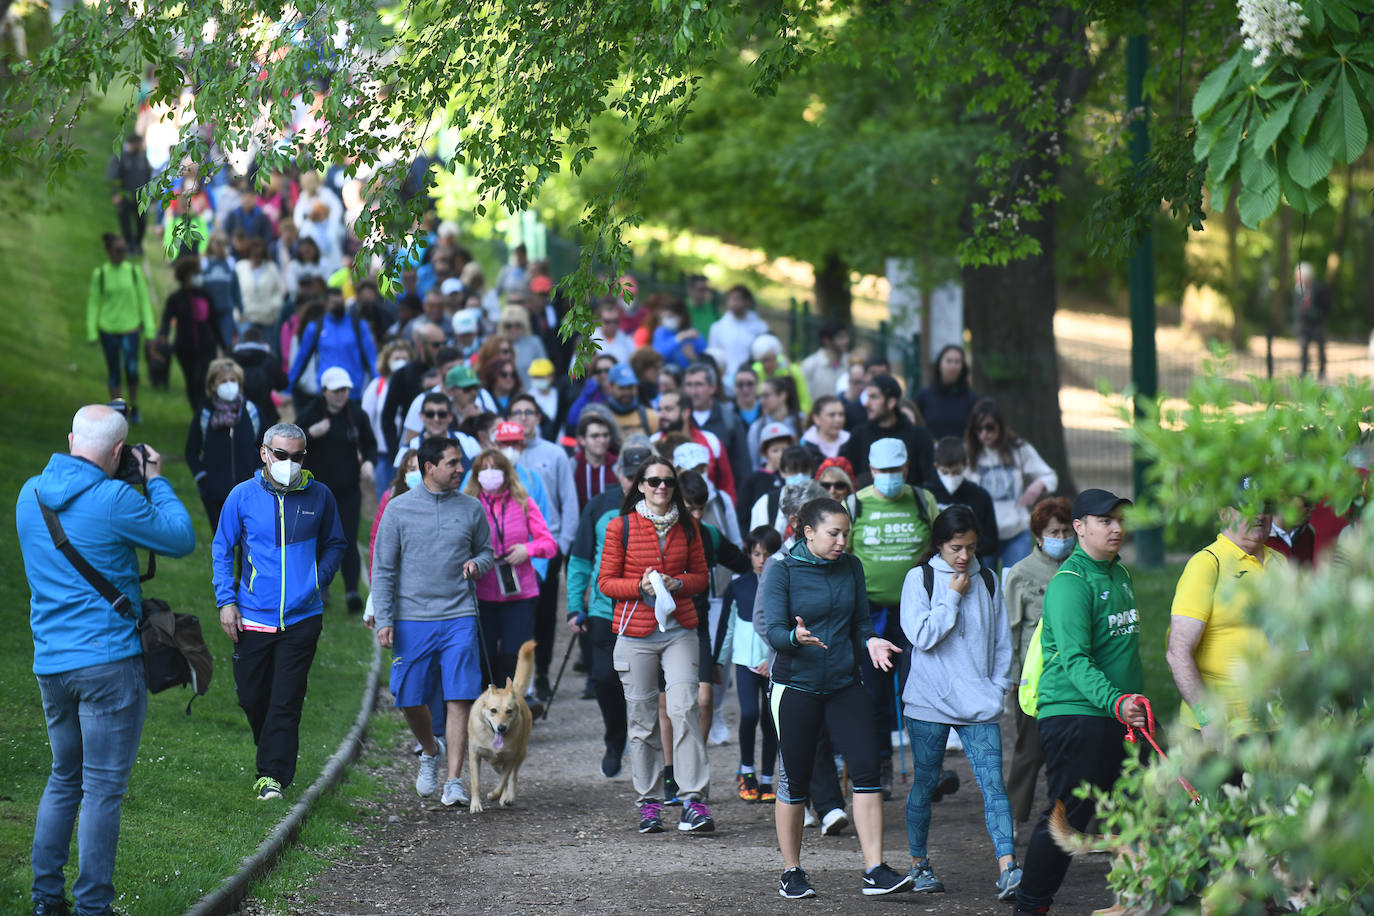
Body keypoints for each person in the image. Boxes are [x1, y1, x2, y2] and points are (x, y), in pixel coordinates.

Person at [17, 405, 196, 916]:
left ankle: (45, 899)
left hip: (51, 663)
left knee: (63, 778)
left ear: (70, 438)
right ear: (120, 453)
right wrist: (155, 480)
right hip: (108, 665)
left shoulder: (28, 494)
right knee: (101, 790)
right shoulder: (115, 498)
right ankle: (92, 907)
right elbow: (180, 536)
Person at [764, 496, 912, 899]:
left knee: (865, 771)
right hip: (795, 686)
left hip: (845, 684)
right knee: (794, 780)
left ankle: (874, 869)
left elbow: (861, 623)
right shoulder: (782, 571)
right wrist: (795, 637)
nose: (842, 540)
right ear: (808, 532)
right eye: (834, 533)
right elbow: (773, 631)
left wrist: (872, 642)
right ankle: (791, 871)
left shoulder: (852, 567)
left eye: (846, 533)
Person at [1013, 489, 1151, 916]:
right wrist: (1116, 702)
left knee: (1136, 808)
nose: (1115, 528)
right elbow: (1075, 660)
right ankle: (1030, 905)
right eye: (1104, 520)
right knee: (1069, 813)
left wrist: (1136, 705)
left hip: (1121, 712)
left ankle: (1131, 902)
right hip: (1075, 712)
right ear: (1079, 527)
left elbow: (1123, 653)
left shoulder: (1120, 574)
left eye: (1118, 520)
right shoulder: (1070, 584)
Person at [211, 422, 348, 801]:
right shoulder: (241, 496)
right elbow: (222, 550)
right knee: (252, 697)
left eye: (297, 456)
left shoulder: (320, 496)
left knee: (285, 699)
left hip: (303, 618)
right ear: (265, 454)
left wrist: (318, 580)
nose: (289, 462)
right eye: (282, 455)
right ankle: (271, 748)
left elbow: (336, 543)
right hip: (253, 615)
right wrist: (227, 601)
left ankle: (271, 776)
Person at [899, 505, 1019, 899]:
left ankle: (1009, 869)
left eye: (970, 546)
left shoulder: (987, 578)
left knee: (993, 786)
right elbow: (922, 636)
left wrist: (998, 684)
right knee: (926, 783)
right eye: (955, 547)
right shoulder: (920, 578)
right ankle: (919, 864)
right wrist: (950, 597)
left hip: (980, 702)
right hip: (929, 701)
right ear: (939, 544)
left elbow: (1003, 639)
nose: (964, 555)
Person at [371, 437, 497, 807]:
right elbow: (383, 569)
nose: (462, 469)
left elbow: (486, 552)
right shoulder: (398, 510)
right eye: (454, 463)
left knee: (459, 696)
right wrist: (384, 618)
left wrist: (478, 565)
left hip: (459, 615)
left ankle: (454, 781)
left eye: (461, 462)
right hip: (412, 617)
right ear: (429, 467)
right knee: (408, 697)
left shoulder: (472, 509)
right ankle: (431, 749)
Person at [597, 457, 713, 834]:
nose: (661, 487)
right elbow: (606, 583)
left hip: (679, 628)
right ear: (641, 486)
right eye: (654, 481)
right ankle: (649, 802)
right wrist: (639, 586)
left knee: (684, 709)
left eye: (667, 481)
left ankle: (693, 800)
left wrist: (679, 583)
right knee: (642, 719)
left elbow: (701, 577)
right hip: (635, 632)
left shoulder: (689, 526)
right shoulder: (621, 527)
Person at [849, 437, 939, 796]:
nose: (890, 476)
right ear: (871, 470)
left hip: (914, 610)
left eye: (896, 470)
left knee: (920, 687)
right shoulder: (855, 504)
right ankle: (880, 763)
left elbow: (939, 543)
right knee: (874, 690)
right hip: (871, 612)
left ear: (906, 468)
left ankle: (928, 766)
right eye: (882, 470)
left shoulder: (922, 500)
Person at [567, 440, 655, 778]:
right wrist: (576, 606)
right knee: (604, 678)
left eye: (640, 476)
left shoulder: (662, 503)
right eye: (628, 475)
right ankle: (615, 739)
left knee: (648, 685)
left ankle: (653, 754)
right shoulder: (600, 505)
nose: (632, 484)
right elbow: (579, 560)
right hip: (606, 607)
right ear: (618, 472)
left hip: (649, 610)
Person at [1166, 487, 1282, 740]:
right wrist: (1207, 719)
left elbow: (1299, 642)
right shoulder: (1207, 564)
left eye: (1266, 507)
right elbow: (1178, 652)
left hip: (1277, 725)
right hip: (1221, 730)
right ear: (1223, 514)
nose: (1259, 515)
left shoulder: (1281, 564)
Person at [1001, 496, 1074, 824]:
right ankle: (1014, 820)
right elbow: (1010, 632)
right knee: (1029, 752)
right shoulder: (1021, 574)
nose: (1061, 538)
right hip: (1037, 679)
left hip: (1077, 674)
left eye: (1065, 531)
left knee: (1075, 749)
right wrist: (1014, 680)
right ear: (1038, 536)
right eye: (1053, 532)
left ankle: (1076, 816)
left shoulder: (1079, 567)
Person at [463, 448, 557, 686]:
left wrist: (529, 550)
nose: (489, 474)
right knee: (486, 658)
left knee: (514, 655)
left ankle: (516, 704)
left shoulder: (523, 502)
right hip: (483, 590)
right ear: (475, 475)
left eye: (494, 468)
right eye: (483, 469)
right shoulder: (468, 505)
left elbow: (549, 544)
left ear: (506, 473)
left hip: (519, 591)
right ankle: (489, 707)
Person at [507, 392, 579, 700]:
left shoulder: (555, 454)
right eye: (517, 412)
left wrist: (561, 544)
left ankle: (543, 672)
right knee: (518, 614)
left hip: (547, 548)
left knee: (545, 614)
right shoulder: (504, 456)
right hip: (513, 550)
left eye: (529, 412)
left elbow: (568, 501)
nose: (523, 417)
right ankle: (519, 675)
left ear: (538, 417)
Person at [297, 366, 378, 614]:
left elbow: (371, 445)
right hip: (316, 492)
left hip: (348, 490)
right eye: (335, 391)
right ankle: (322, 586)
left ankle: (352, 590)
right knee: (318, 539)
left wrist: (368, 463)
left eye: (344, 390)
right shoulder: (311, 412)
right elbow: (293, 442)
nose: (341, 395)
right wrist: (311, 433)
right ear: (324, 391)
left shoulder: (356, 414)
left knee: (348, 540)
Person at [716, 525, 783, 803]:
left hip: (773, 665)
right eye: (756, 554)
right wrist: (717, 661)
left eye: (767, 554)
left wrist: (774, 658)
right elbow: (727, 626)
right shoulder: (738, 585)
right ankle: (746, 771)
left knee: (770, 721)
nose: (761, 560)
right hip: (744, 663)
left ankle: (768, 778)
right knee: (748, 715)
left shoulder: (781, 583)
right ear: (749, 553)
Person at [965, 399, 1057, 569]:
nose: (984, 433)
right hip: (982, 534)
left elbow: (1050, 476)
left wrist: (1038, 485)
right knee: (984, 589)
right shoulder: (971, 454)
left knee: (1016, 585)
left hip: (1016, 531)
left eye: (989, 427)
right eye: (979, 429)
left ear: (1000, 426)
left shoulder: (1019, 449)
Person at [186, 357, 262, 529]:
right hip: (215, 494)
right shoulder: (205, 414)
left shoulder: (251, 412)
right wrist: (203, 479)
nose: (229, 385)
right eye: (223, 381)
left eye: (233, 380)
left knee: (247, 543)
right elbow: (191, 451)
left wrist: (258, 475)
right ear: (213, 385)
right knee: (222, 545)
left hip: (248, 492)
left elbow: (265, 446)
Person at [88, 233, 155, 423]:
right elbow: (94, 303)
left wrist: (149, 329)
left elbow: (144, 301)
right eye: (118, 251)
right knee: (114, 371)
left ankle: (133, 407)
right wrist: (92, 331)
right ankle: (117, 411)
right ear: (108, 252)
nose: (122, 254)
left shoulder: (134, 272)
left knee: (132, 369)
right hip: (108, 329)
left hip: (130, 329)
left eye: (124, 250)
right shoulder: (100, 274)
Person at [845, 373, 937, 488]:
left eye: (874, 397)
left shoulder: (919, 436)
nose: (867, 403)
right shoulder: (858, 435)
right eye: (867, 397)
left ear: (891, 402)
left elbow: (929, 479)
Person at [288, 286, 379, 399]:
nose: (339, 306)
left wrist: (379, 384)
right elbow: (301, 360)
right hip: (326, 391)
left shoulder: (359, 326)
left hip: (352, 390)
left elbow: (372, 358)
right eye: (334, 303)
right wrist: (288, 389)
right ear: (326, 304)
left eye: (341, 302)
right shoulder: (315, 328)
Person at [159, 258, 225, 408]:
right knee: (191, 381)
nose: (199, 276)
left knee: (202, 379)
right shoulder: (176, 299)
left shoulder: (205, 295)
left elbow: (214, 321)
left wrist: (222, 343)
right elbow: (166, 318)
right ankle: (197, 410)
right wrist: (163, 334)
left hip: (206, 346)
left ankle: (205, 409)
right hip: (184, 348)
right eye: (196, 273)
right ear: (187, 276)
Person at [652, 388, 737, 501]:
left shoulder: (710, 441)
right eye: (660, 409)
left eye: (668, 409)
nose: (661, 415)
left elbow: (727, 485)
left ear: (685, 412)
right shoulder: (653, 442)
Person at [929, 436, 999, 563]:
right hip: (934, 565)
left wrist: (965, 546)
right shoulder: (927, 494)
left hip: (970, 564)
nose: (950, 477)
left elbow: (991, 542)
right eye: (945, 472)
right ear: (936, 466)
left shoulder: (980, 496)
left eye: (956, 472)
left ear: (966, 464)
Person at [684, 362, 751, 488]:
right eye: (689, 385)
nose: (693, 391)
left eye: (699, 384)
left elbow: (743, 469)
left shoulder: (730, 420)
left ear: (713, 387)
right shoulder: (678, 420)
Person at [707, 285, 771, 386]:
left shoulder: (760, 327)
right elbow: (714, 354)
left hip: (752, 380)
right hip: (726, 381)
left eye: (737, 299)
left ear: (747, 302)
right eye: (731, 299)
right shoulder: (718, 327)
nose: (733, 303)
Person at [915, 345, 980, 441]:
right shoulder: (924, 396)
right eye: (948, 361)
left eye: (957, 362)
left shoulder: (972, 398)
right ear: (940, 364)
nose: (953, 366)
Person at [747, 375, 806, 472]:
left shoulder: (802, 422)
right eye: (760, 396)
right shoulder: (757, 428)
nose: (761, 401)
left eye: (766, 396)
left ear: (783, 396)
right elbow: (755, 465)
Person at [107, 133, 151, 255]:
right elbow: (113, 176)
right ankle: (129, 244)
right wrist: (115, 193)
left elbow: (147, 175)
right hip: (124, 195)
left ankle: (137, 243)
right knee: (125, 222)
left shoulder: (142, 158)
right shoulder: (120, 156)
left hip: (140, 197)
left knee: (141, 221)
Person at [235, 238, 286, 339]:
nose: (256, 256)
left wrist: (272, 307)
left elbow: (279, 291)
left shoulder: (272, 268)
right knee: (246, 350)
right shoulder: (240, 267)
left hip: (267, 318)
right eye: (254, 253)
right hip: (246, 317)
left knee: (267, 349)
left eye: (258, 253)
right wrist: (237, 312)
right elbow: (233, 292)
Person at [201, 233, 243, 351]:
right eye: (217, 243)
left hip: (226, 311)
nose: (219, 247)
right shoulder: (205, 263)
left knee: (226, 344)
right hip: (209, 312)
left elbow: (236, 288)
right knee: (210, 344)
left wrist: (240, 308)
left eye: (222, 244)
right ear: (211, 244)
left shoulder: (230, 263)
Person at [751, 334, 811, 412]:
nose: (766, 365)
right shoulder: (756, 371)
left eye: (769, 359)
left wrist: (803, 416)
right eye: (763, 361)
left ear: (776, 356)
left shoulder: (792, 371)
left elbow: (804, 398)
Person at [572, 409, 619, 510]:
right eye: (595, 436)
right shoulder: (572, 466)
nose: (602, 440)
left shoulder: (618, 466)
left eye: (605, 435)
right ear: (582, 440)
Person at [800, 321, 850, 408]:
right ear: (827, 340)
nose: (846, 341)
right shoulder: (810, 365)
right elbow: (803, 397)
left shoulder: (849, 362)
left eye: (846, 337)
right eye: (841, 337)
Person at [1293, 261, 1330, 378]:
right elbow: (1296, 306)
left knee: (1320, 347)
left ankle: (1322, 371)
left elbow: (1327, 306)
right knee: (1303, 347)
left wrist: (1319, 315)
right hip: (1304, 324)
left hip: (1317, 323)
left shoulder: (1319, 288)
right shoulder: (1298, 289)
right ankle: (1304, 371)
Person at [602, 363, 659, 438]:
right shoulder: (602, 418)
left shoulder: (651, 417)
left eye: (630, 387)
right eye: (622, 388)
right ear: (610, 387)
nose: (627, 392)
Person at [652, 297, 703, 369]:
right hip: (667, 374)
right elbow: (658, 355)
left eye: (670, 316)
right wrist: (678, 338)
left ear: (681, 316)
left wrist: (694, 358)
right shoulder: (661, 332)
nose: (667, 320)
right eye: (665, 317)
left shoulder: (692, 331)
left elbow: (704, 354)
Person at [802, 394, 851, 461]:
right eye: (832, 415)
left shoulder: (850, 441)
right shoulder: (805, 445)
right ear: (816, 418)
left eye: (841, 414)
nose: (838, 419)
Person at [592, 299, 636, 365]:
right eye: (607, 321)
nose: (612, 325)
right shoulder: (590, 339)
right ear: (599, 320)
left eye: (615, 321)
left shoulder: (626, 340)